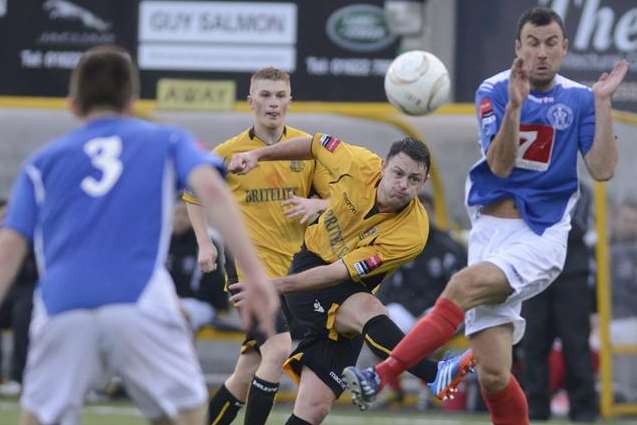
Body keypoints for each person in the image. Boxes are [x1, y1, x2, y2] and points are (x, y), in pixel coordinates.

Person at [341, 7, 628, 425]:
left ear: (564, 48)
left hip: (541, 235)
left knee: (462, 284)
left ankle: (380, 374)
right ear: (518, 48)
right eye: (533, 43)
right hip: (489, 235)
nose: (542, 53)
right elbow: (500, 166)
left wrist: (602, 104)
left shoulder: (581, 99)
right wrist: (514, 109)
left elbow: (603, 169)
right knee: (495, 375)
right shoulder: (494, 90)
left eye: (551, 43)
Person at [0, 45, 278, 425]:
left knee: (38, 417)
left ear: (72, 104)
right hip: (139, 298)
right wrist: (257, 276)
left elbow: (10, 245)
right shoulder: (167, 140)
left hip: (61, 304)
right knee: (186, 414)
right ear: (132, 101)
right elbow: (212, 189)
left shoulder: (41, 162)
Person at [228, 133, 469, 424]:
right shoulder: (356, 162)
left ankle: (425, 376)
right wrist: (259, 155)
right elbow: (313, 143)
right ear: (382, 167)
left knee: (314, 407)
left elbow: (341, 273)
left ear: (425, 181)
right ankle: (433, 374)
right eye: (398, 173)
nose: (404, 185)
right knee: (368, 307)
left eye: (414, 179)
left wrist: (271, 286)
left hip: (343, 285)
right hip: (310, 272)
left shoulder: (413, 233)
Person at [183, 67, 332, 425]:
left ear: (290, 101)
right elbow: (193, 194)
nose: (273, 103)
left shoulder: (306, 148)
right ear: (250, 102)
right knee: (279, 349)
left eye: (280, 96)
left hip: (292, 275)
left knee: (247, 370)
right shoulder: (228, 152)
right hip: (248, 272)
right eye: (265, 95)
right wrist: (205, 243)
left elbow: (339, 199)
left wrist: (316, 205)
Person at [521, 183, 597, 422]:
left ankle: (583, 409)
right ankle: (535, 407)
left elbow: (577, 228)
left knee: (575, 344)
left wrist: (541, 225)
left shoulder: (580, 190)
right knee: (533, 342)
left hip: (571, 274)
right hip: (536, 272)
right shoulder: (529, 187)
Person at [167, 202, 229, 331]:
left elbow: (213, 283)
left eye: (185, 214)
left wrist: (179, 299)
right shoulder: (166, 243)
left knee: (176, 315)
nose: (180, 218)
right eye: (176, 213)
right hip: (171, 302)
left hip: (202, 303)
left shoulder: (205, 243)